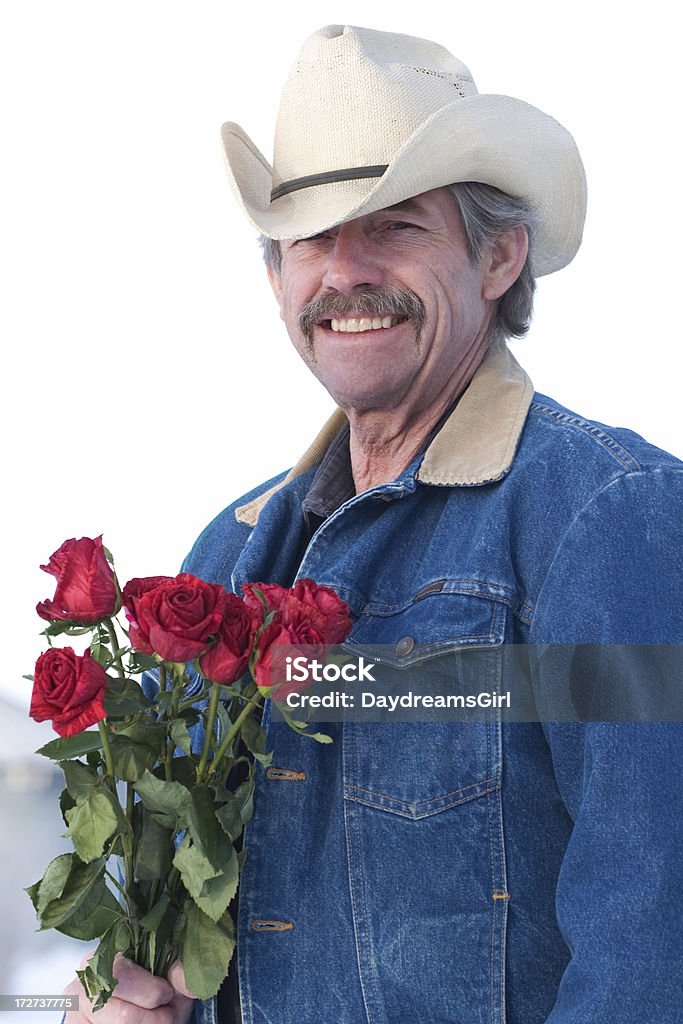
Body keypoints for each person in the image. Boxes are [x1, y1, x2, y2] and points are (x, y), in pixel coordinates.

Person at [65, 24, 683, 1024]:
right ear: (276, 279)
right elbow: (170, 914)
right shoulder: (226, 556)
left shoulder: (607, 519)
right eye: (309, 236)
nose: (344, 269)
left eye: (394, 224)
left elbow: (654, 941)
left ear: (497, 258)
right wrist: (137, 995)